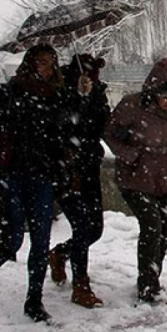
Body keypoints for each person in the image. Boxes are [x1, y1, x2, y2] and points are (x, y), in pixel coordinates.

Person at [0, 44, 89, 323]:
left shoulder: (58, 96)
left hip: (43, 176)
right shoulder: (7, 93)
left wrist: (83, 95)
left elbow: (74, 127)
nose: (44, 68)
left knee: (41, 239)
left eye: (49, 63)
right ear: (29, 63)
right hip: (10, 175)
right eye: (39, 62)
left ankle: (34, 299)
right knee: (12, 238)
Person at [104, 57, 167, 302]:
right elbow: (109, 132)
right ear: (152, 92)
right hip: (135, 176)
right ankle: (146, 282)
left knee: (165, 228)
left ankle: (153, 276)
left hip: (165, 176)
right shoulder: (131, 105)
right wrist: (130, 154)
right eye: (164, 96)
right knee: (151, 225)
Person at [48, 54, 110, 308]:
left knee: (95, 229)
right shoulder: (58, 93)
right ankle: (80, 285)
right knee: (83, 226)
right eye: (86, 74)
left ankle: (60, 253)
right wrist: (75, 98)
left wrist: (90, 98)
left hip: (89, 168)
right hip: (65, 172)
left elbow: (102, 125)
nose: (90, 79)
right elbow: (56, 127)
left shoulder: (97, 94)